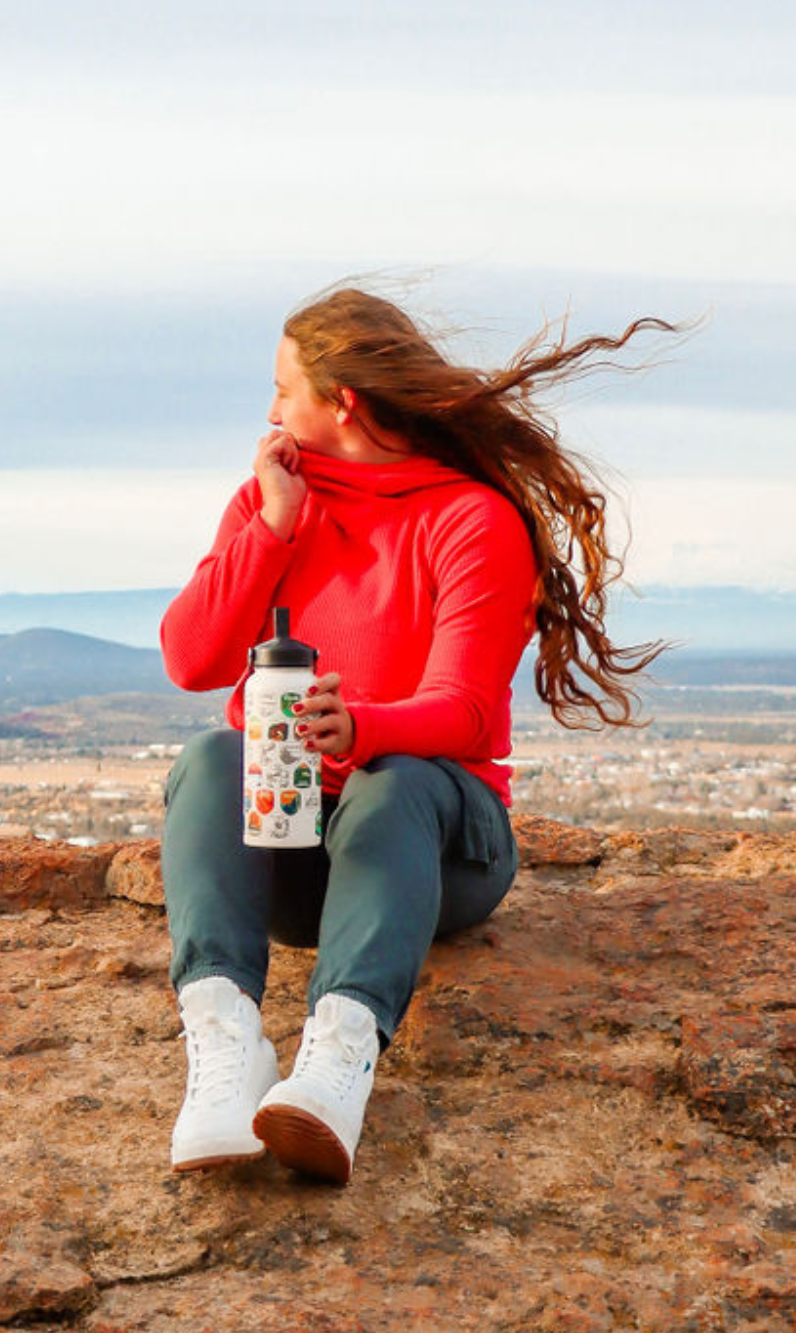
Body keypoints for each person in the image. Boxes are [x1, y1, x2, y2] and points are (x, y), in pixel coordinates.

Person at [159, 283, 678, 1184]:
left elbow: (469, 711)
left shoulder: (469, 518)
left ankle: (337, 1061)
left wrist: (361, 726)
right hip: (303, 857)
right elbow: (193, 659)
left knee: (394, 777)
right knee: (211, 757)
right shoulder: (271, 503)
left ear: (342, 404)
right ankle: (227, 1048)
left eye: (284, 390)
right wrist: (274, 529)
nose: (271, 411)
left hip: (435, 852)